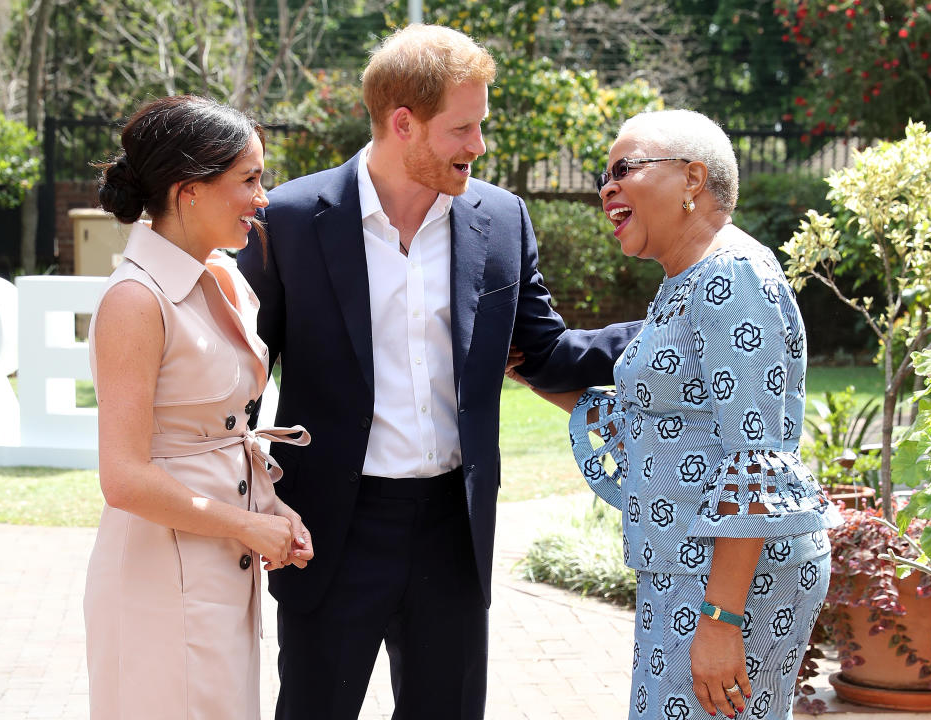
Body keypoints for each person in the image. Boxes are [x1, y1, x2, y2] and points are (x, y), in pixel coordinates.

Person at [236, 23, 640, 720]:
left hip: (455, 530)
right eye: (463, 128)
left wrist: (674, 329)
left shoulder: (502, 219)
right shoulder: (292, 221)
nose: (478, 146)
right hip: (333, 529)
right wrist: (258, 503)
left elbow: (544, 352)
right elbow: (239, 383)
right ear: (404, 124)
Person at [506, 109, 843, 720]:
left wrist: (720, 620)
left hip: (731, 579)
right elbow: (648, 418)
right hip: (693, 570)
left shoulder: (733, 276)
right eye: (601, 177)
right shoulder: (686, 280)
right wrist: (524, 371)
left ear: (692, 179)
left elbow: (756, 459)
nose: (606, 188)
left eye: (623, 169)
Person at [84, 95, 314, 720]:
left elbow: (223, 430)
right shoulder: (135, 299)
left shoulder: (226, 276)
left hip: (222, 568)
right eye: (249, 180)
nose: (262, 198)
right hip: (159, 575)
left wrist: (270, 509)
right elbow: (123, 478)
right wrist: (245, 525)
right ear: (189, 191)